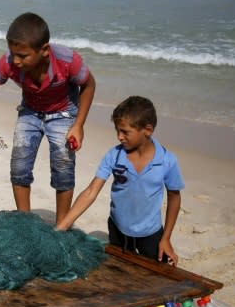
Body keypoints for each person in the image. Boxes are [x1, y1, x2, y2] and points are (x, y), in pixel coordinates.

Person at [0, 12, 96, 225]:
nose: (16, 60)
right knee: (19, 165)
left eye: (22, 56)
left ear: (44, 51)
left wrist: (79, 125)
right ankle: (25, 223)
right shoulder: (9, 63)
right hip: (30, 111)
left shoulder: (68, 61)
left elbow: (88, 85)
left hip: (64, 112)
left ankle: (61, 226)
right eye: (13, 53)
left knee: (63, 164)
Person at [56, 96, 184, 265]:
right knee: (120, 268)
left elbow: (175, 198)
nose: (119, 137)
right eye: (117, 131)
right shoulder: (114, 155)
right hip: (117, 229)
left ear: (147, 130)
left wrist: (166, 238)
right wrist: (63, 226)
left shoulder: (167, 160)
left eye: (125, 132)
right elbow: (90, 192)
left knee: (154, 273)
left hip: (150, 233)